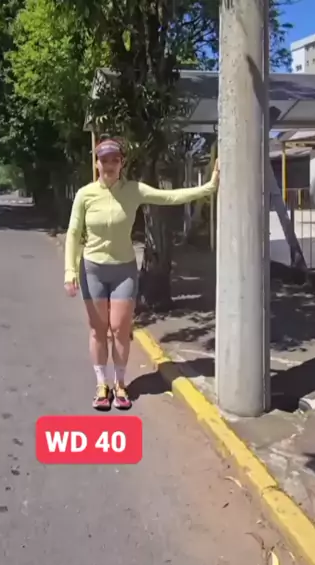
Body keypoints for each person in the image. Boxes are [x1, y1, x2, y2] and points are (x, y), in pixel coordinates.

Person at [64, 137, 220, 411]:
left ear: (122, 163)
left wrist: (209, 187)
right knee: (98, 330)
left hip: (123, 270)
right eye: (104, 160)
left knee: (120, 328)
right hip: (92, 269)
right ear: (97, 163)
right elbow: (74, 233)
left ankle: (120, 384)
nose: (109, 164)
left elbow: (170, 197)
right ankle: (102, 385)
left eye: (115, 159)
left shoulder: (134, 190)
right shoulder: (85, 194)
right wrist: (69, 271)